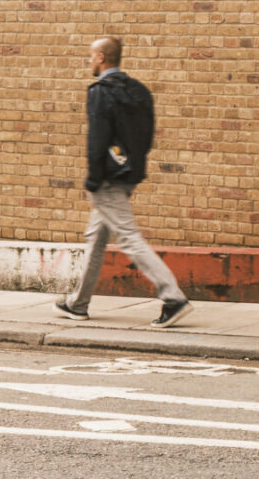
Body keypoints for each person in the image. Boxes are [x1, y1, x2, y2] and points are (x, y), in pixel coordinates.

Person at [54, 34, 191, 326]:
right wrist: (132, 165)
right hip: (129, 175)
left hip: (106, 179)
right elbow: (147, 134)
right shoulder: (138, 90)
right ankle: (78, 304)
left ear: (102, 58)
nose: (90, 61)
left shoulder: (101, 91)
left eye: (92, 56)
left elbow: (97, 139)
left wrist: (93, 178)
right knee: (96, 237)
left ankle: (173, 297)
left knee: (129, 237)